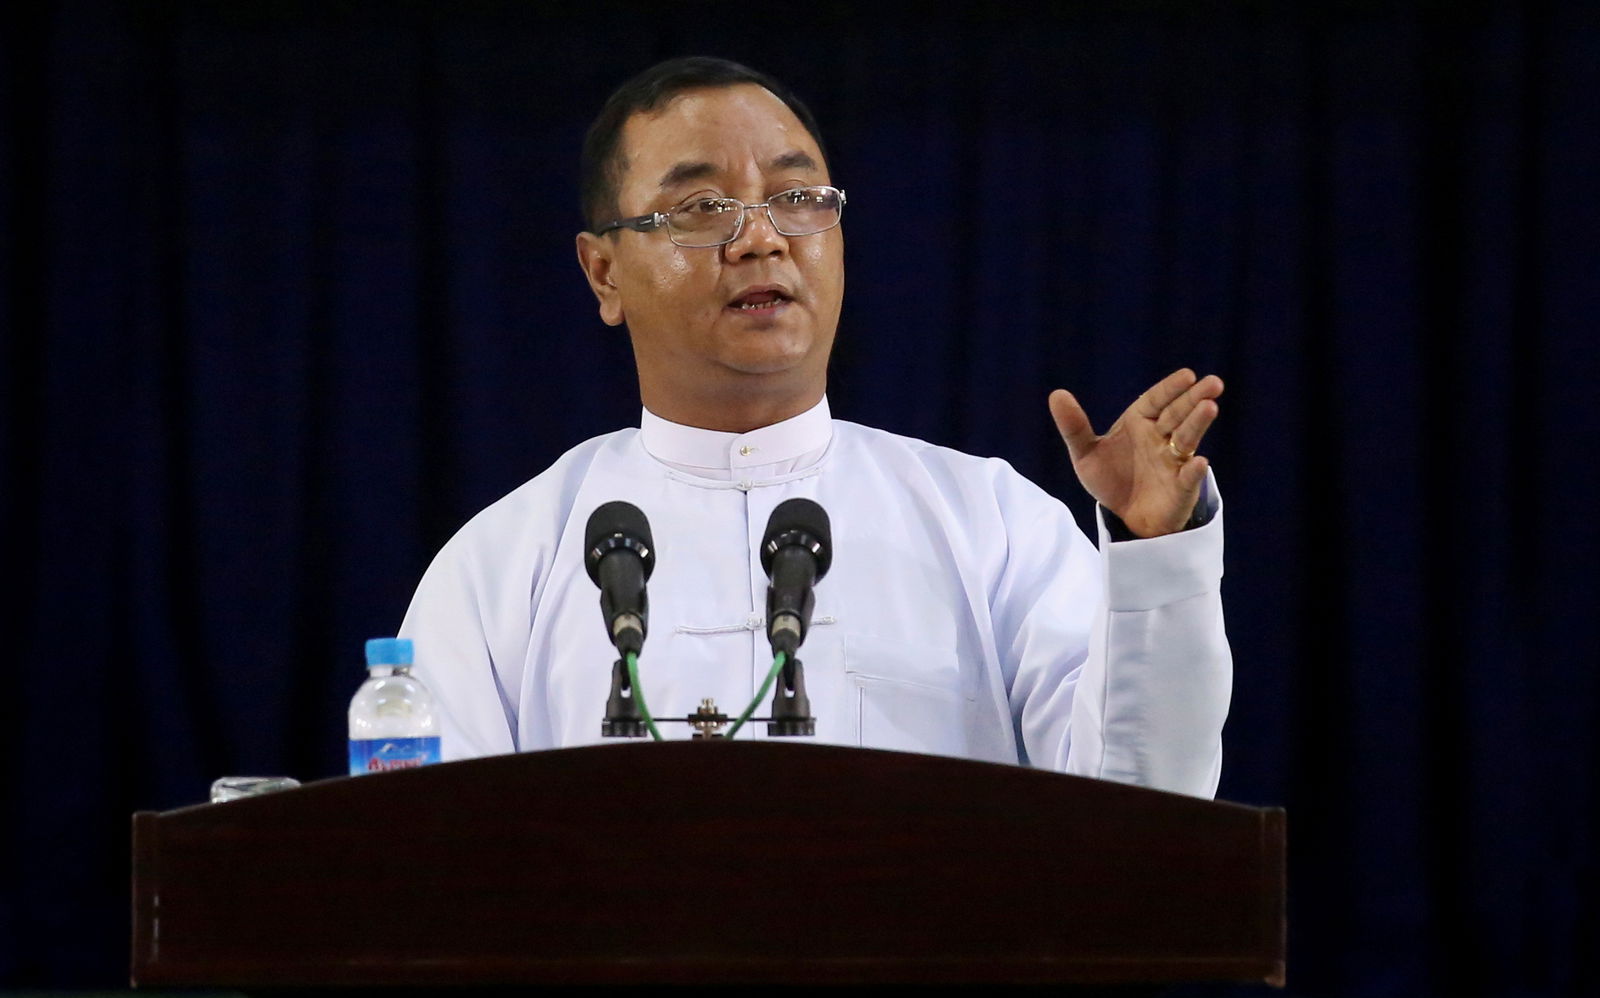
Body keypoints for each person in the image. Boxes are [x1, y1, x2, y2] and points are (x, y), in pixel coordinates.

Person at [399, 57, 1230, 797]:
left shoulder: (991, 524)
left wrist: (1153, 552)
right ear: (603, 271)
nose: (762, 239)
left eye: (797, 199)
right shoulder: (503, 566)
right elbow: (430, 870)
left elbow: (1142, 811)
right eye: (701, 207)